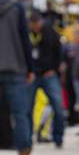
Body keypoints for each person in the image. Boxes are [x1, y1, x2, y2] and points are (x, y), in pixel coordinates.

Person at [0, 0, 35, 155]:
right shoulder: (16, 8)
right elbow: (25, 41)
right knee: (21, 116)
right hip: (16, 69)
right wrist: (30, 68)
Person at [28, 11, 65, 148]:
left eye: (36, 25)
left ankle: (58, 137)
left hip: (49, 74)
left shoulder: (50, 32)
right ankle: (27, 138)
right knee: (27, 107)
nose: (35, 27)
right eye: (33, 25)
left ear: (40, 22)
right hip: (32, 74)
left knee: (58, 106)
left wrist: (54, 69)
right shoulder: (28, 32)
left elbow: (60, 52)